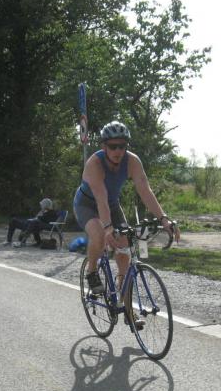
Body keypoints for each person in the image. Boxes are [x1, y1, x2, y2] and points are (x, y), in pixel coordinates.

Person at [73, 121, 179, 295]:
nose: (118, 151)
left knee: (124, 243)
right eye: (113, 146)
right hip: (87, 203)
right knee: (99, 235)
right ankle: (92, 271)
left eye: (122, 146)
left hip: (112, 203)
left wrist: (163, 218)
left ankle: (123, 292)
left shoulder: (132, 161)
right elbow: (101, 199)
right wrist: (108, 228)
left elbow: (145, 191)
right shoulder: (95, 164)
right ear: (104, 147)